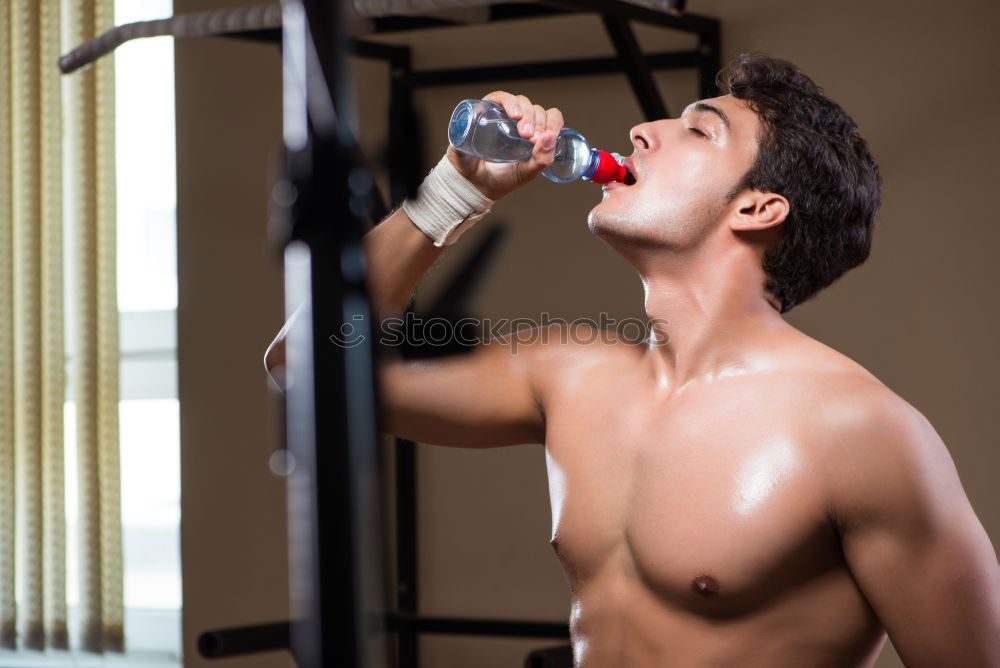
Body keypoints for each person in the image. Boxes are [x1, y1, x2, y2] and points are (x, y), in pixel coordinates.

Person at [266, 54, 1000, 666]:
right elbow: (305, 367)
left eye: (696, 131)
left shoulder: (860, 433)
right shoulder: (571, 373)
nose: (643, 133)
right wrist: (452, 194)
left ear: (757, 208)